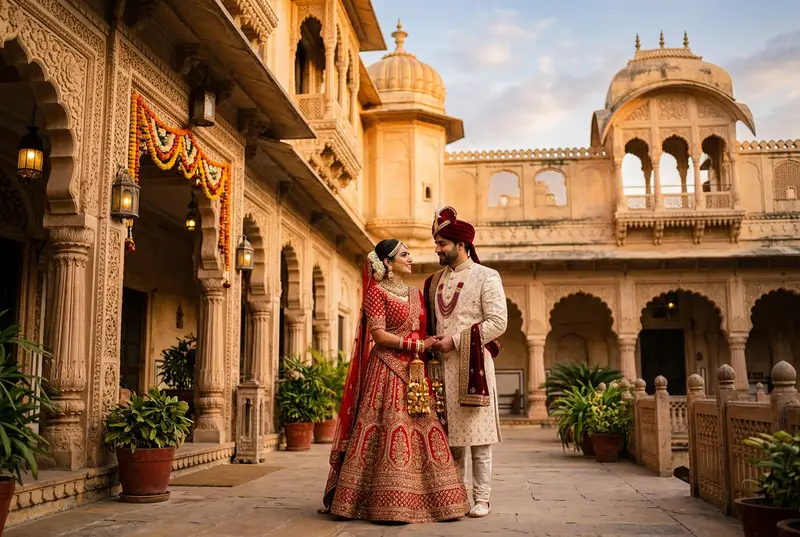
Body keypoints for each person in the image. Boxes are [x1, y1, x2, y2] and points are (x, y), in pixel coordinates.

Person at [320, 239, 469, 523]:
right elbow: (378, 335)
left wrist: (428, 347)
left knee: (422, 429)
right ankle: (380, 500)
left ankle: (434, 501)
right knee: (388, 426)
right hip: (386, 371)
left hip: (415, 373)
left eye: (409, 254)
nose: (410, 259)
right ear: (388, 263)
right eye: (404, 255)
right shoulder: (376, 292)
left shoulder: (415, 293)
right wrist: (417, 346)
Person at [424, 206, 508, 518]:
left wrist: (457, 340)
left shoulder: (487, 277)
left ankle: (482, 498)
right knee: (450, 438)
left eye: (442, 243)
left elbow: (498, 322)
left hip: (473, 368)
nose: (437, 249)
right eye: (437, 243)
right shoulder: (434, 282)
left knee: (479, 438)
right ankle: (454, 495)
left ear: (461, 245)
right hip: (441, 370)